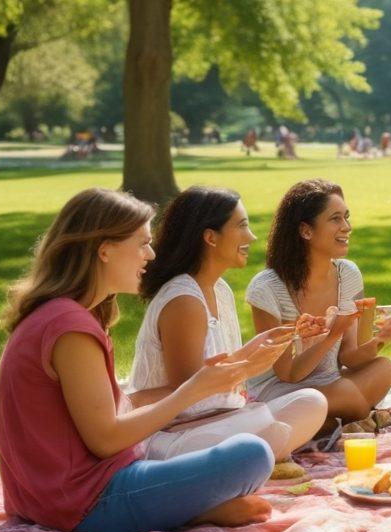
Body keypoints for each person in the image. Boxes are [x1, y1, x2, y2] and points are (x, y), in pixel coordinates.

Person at [0, 188, 288, 532]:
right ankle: (191, 512)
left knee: (256, 442)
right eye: (142, 243)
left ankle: (186, 508)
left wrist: (226, 371)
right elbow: (105, 440)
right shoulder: (70, 328)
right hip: (83, 502)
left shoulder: (64, 316)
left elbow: (109, 412)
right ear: (105, 250)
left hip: (51, 497)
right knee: (252, 455)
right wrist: (191, 390)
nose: (150, 254)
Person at [129, 187, 327, 468]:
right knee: (262, 425)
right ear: (210, 237)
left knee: (312, 402)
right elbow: (189, 398)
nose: (252, 237)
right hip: (175, 435)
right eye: (242, 226)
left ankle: (255, 457)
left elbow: (220, 370)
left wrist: (282, 339)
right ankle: (258, 457)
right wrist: (248, 367)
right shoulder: (184, 301)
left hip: (222, 421)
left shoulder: (219, 289)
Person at [247, 180, 391, 425]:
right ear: (306, 231)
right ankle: (343, 420)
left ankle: (325, 425)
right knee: (349, 396)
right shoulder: (267, 288)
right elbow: (289, 373)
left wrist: (383, 337)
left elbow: (350, 357)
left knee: (383, 368)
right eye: (336, 219)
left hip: (329, 383)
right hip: (280, 391)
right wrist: (330, 334)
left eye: (347, 217)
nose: (347, 227)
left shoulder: (348, 275)